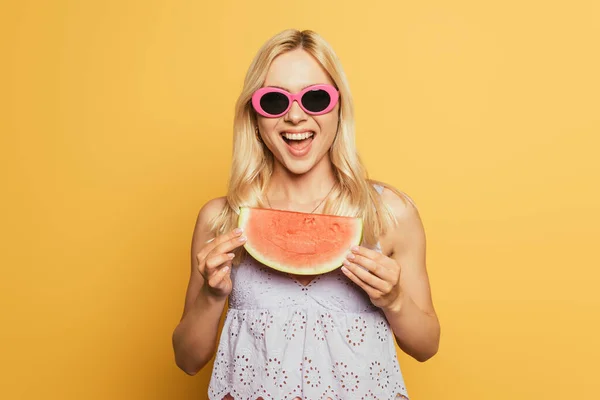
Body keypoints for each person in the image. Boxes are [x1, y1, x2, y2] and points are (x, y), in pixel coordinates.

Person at [172, 29, 440, 400]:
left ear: (338, 107)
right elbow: (187, 360)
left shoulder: (390, 213)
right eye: (275, 101)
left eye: (315, 98)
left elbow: (427, 346)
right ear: (254, 114)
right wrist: (211, 297)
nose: (295, 116)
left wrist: (394, 300)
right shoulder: (221, 219)